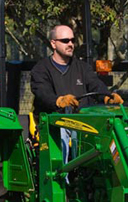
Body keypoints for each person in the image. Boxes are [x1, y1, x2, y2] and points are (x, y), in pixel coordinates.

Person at [30, 24, 123, 161]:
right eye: (65, 41)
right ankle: (65, 177)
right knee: (63, 135)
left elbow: (96, 85)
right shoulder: (41, 69)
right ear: (53, 44)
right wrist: (59, 101)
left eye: (72, 40)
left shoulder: (82, 67)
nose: (70, 44)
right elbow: (42, 93)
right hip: (55, 122)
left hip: (82, 122)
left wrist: (107, 97)